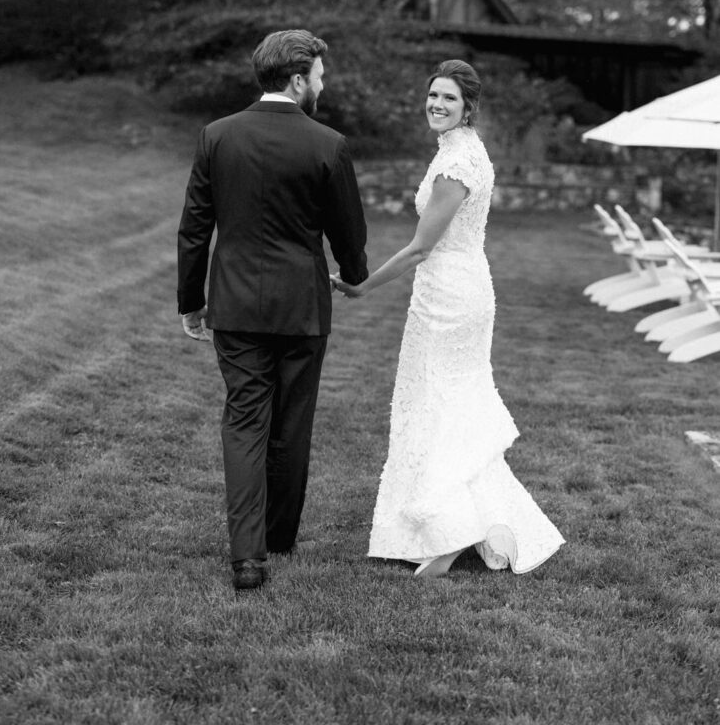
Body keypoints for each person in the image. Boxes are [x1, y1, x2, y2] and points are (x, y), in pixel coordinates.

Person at [335, 59, 564, 578]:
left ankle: (446, 530)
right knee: (450, 405)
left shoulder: (455, 163)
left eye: (449, 99)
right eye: (432, 95)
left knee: (435, 405)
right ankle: (477, 522)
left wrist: (361, 286)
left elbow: (419, 248)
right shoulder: (466, 150)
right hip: (462, 286)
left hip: (448, 297)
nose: (436, 104)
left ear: (469, 107)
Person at [177, 29, 368, 591]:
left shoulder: (217, 136)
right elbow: (348, 232)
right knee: (291, 424)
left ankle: (248, 556)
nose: (322, 85)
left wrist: (193, 301)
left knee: (243, 421)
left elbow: (194, 228)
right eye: (320, 77)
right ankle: (278, 538)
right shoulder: (328, 143)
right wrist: (354, 277)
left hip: (234, 306)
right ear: (297, 79)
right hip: (302, 309)